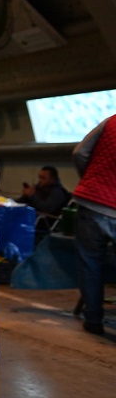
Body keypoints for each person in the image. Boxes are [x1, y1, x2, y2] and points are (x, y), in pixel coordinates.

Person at [72, 115, 116, 335]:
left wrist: (90, 180)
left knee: (91, 265)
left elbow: (80, 152)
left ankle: (94, 320)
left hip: (93, 203)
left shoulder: (111, 122)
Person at [16, 165, 72, 240]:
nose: (40, 180)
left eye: (43, 178)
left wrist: (32, 196)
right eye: (39, 177)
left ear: (52, 179)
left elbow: (47, 208)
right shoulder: (39, 188)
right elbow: (20, 203)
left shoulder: (57, 192)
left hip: (43, 220)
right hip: (30, 216)